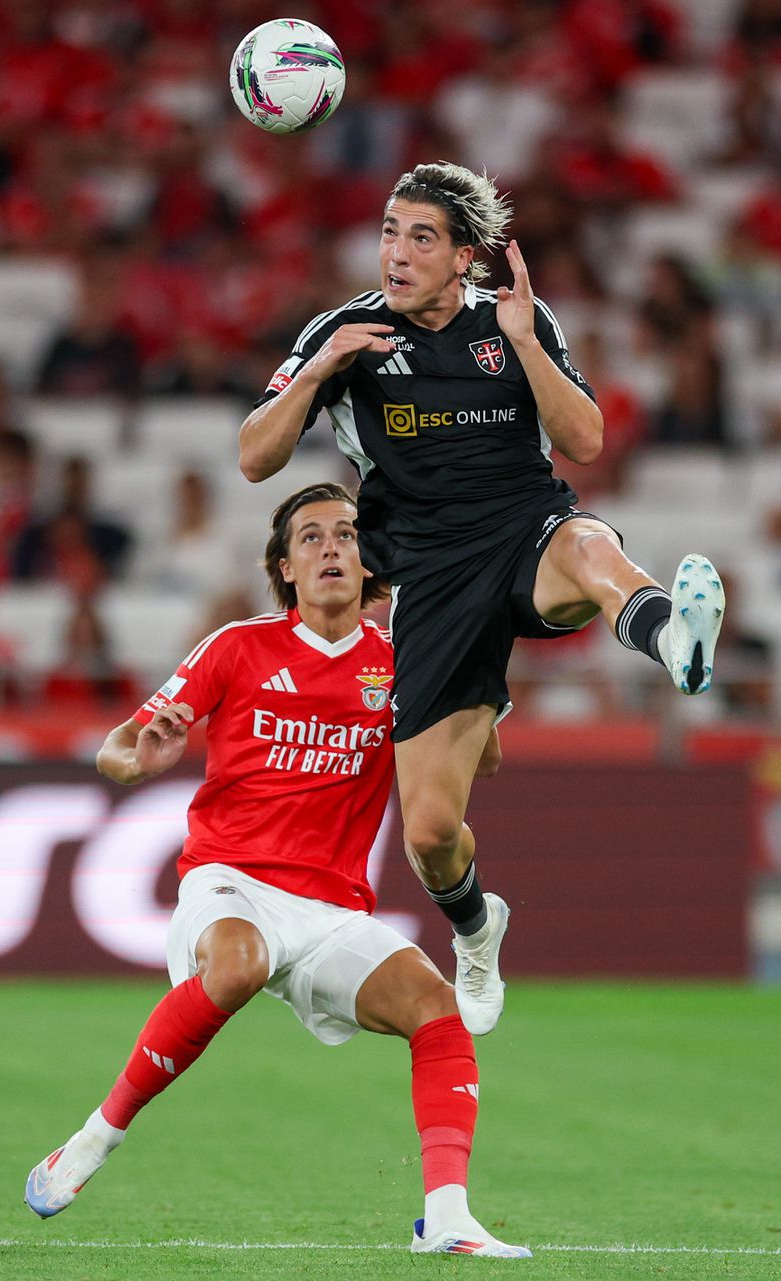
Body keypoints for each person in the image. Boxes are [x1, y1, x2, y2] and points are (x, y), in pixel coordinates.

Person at [238, 160, 726, 1037]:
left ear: (465, 257)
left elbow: (585, 440)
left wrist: (528, 344)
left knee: (589, 546)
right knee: (429, 833)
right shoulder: (347, 331)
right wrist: (319, 373)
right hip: (431, 577)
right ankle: (476, 930)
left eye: (420, 237)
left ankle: (674, 638)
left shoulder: (514, 320)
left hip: (526, 530)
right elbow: (253, 457)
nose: (396, 252)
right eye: (390, 232)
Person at [24, 482, 530, 1261]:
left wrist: (475, 687)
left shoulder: (402, 661)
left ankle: (448, 1216)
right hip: (231, 881)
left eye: (347, 534)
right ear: (286, 568)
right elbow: (117, 747)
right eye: (311, 537)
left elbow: (480, 762)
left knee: (439, 1011)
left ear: (370, 560)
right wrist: (141, 757)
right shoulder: (238, 646)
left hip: (332, 912)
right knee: (238, 963)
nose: (331, 548)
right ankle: (93, 1139)